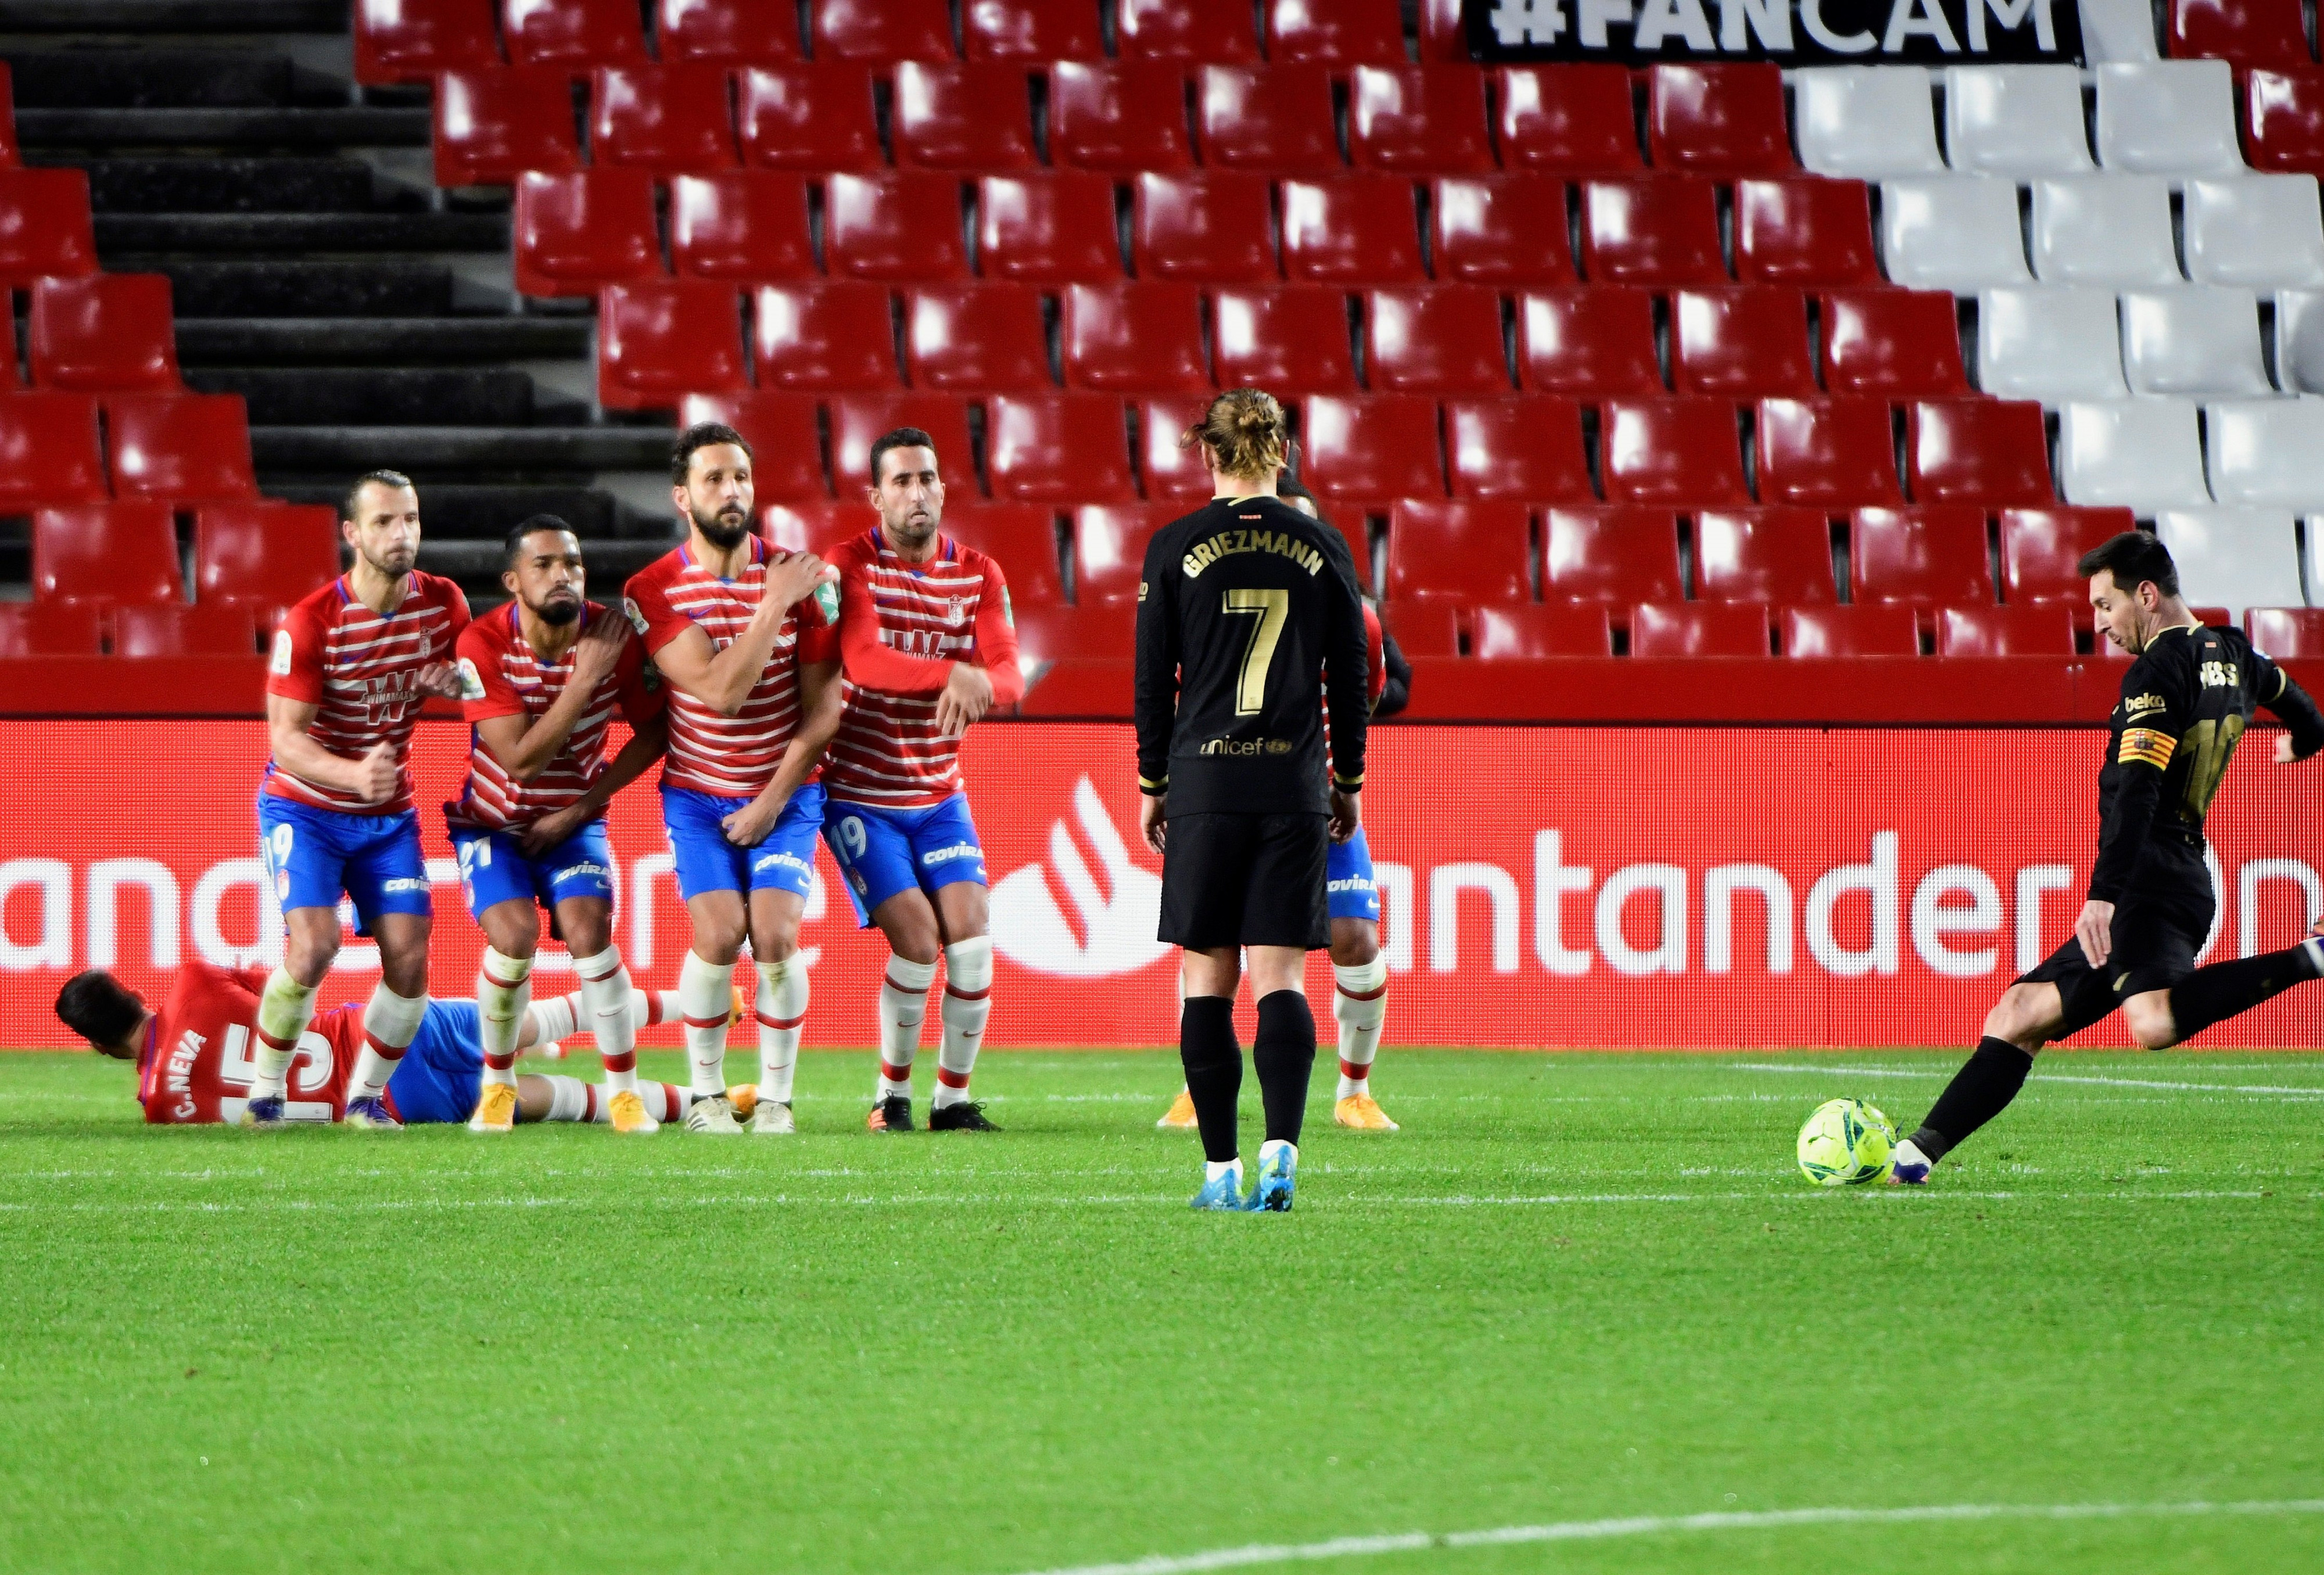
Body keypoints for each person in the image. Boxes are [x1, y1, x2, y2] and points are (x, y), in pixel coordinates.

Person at [1894, 532, 2324, 1183]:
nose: (2099, 624)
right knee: (2017, 1014)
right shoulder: (2235, 652)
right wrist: (2305, 742)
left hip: (2145, 877)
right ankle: (1913, 1157)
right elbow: (2303, 709)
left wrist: (2104, 891)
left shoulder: (2156, 669)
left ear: (2145, 594)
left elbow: (2138, 788)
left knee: (2151, 1022)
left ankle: (2311, 955)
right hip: (2181, 870)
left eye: (2105, 605)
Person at [1134, 389, 1370, 1212]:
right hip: (1290, 787)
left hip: (1205, 783)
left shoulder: (1174, 545)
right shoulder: (1321, 543)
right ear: (1281, 453)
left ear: (1208, 453)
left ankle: (1218, 1171)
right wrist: (1347, 780)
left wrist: (1152, 783)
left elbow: (1151, 679)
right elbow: (1352, 671)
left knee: (1207, 982)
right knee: (1281, 981)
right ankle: (1282, 1148)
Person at [1157, 476, 1406, 1135]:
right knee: (1214, 946)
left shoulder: (1347, 606)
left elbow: (1383, 684)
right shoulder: (1213, 609)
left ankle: (1355, 1090)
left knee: (1353, 939)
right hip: (1237, 787)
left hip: (1311, 794)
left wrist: (1341, 772)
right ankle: (1198, 1085)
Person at [623, 423, 844, 1135]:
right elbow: (721, 693)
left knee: (775, 936)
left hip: (785, 790)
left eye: (741, 477)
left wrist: (772, 801)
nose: (732, 491)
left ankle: (776, 1099)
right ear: (681, 496)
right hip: (696, 793)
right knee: (719, 934)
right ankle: (707, 1097)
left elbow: (822, 711)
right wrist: (772, 602)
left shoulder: (804, 578)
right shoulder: (652, 588)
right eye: (714, 479)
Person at [249, 469, 470, 1130]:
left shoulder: (444, 602)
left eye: (410, 519)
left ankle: (366, 1099)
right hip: (306, 807)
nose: (401, 534)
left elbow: (472, 676)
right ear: (353, 533)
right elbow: (286, 740)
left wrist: (456, 683)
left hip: (386, 816)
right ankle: (265, 1092)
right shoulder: (312, 622)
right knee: (315, 945)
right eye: (383, 522)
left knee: (409, 953)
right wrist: (351, 775)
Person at [819, 427, 1023, 1133]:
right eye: (901, 481)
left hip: (939, 795)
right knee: (917, 941)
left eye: (927, 478)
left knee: (971, 942)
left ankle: (952, 1101)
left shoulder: (979, 572)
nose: (916, 492)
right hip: (860, 797)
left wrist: (979, 680)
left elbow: (1009, 674)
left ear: (943, 488)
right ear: (876, 496)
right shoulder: (848, 565)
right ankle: (890, 1096)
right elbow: (866, 660)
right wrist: (953, 674)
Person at [446, 518, 671, 1135]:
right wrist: (583, 681)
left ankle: (625, 1095)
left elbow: (656, 729)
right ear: (513, 581)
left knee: (589, 930)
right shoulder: (478, 645)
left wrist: (580, 807)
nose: (562, 574)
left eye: (572, 562)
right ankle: (498, 1084)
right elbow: (518, 758)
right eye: (544, 564)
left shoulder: (615, 636)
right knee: (513, 936)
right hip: (492, 823)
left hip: (572, 822)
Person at [55, 960, 718, 1128]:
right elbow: (294, 992)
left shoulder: (156, 1108)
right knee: (542, 1020)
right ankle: (709, 1002)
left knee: (548, 1099)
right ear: (131, 990)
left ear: (100, 1046)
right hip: (379, 1035)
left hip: (397, 1100)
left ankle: (706, 1101)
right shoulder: (196, 980)